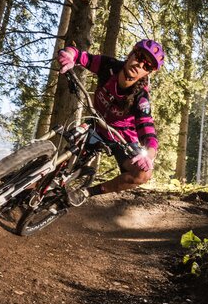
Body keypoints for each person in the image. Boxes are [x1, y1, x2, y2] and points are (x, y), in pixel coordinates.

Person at [57, 39, 165, 206]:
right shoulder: (109, 66)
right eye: (140, 57)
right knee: (65, 157)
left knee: (143, 174)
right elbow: (82, 56)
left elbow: (147, 129)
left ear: (148, 73)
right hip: (96, 125)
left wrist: (149, 155)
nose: (140, 65)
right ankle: (35, 184)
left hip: (121, 139)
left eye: (147, 66)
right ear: (131, 54)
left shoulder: (141, 98)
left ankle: (88, 192)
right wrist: (69, 54)